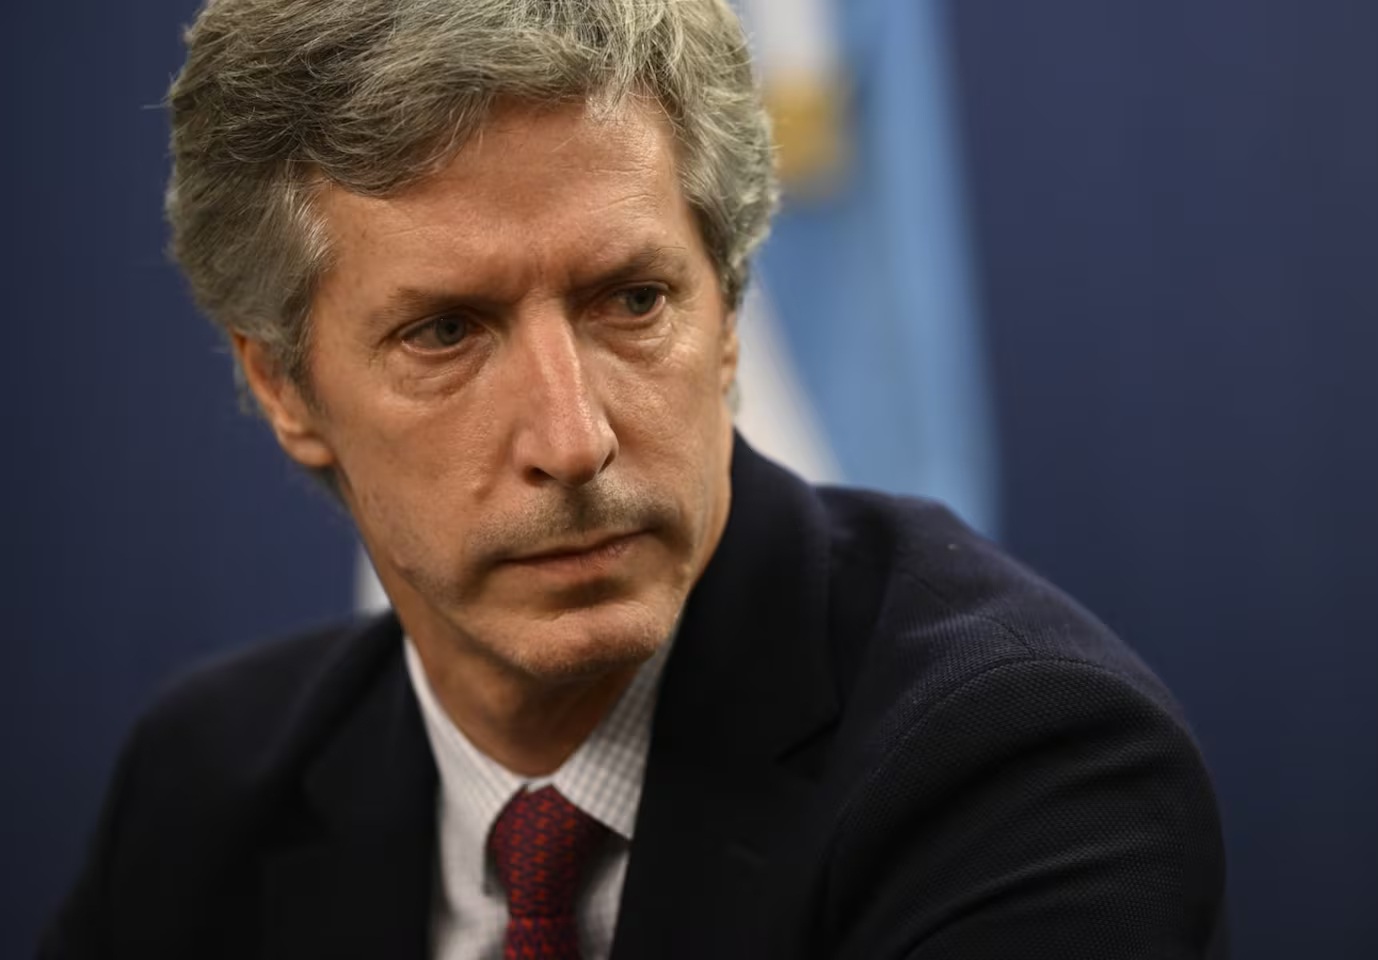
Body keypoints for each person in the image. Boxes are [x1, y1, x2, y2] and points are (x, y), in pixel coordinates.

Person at [42, 0, 1227, 957]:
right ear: (284, 386)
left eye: (633, 300)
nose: (573, 441)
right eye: (446, 332)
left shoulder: (1015, 764)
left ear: (729, 315)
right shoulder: (207, 794)